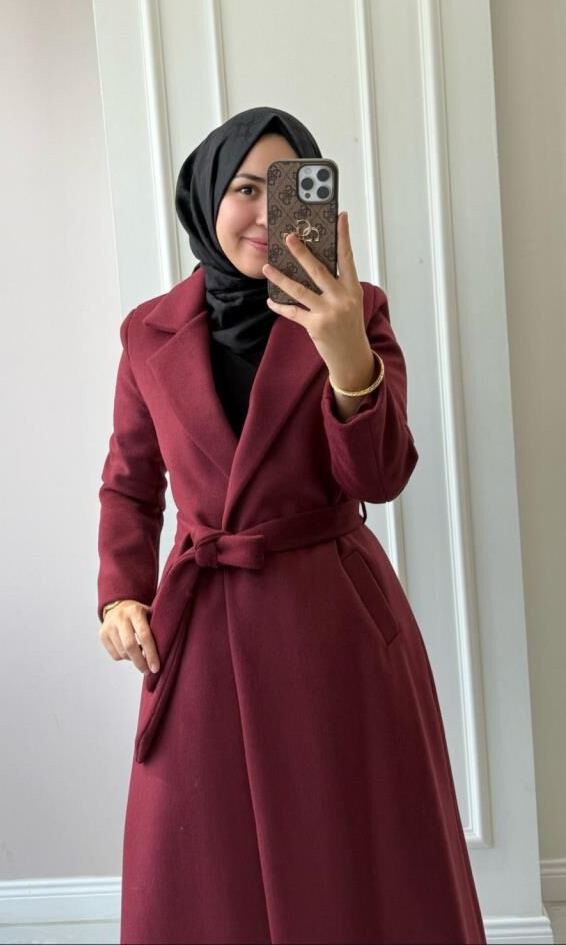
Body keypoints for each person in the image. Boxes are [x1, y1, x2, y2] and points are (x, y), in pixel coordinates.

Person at [97, 106, 487, 944]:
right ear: (205, 196)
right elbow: (130, 482)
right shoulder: (147, 332)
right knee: (201, 855)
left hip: (333, 622)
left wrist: (347, 352)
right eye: (245, 188)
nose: (266, 215)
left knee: (350, 846)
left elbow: (377, 479)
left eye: (287, 190)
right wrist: (121, 595)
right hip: (200, 631)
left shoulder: (357, 309)